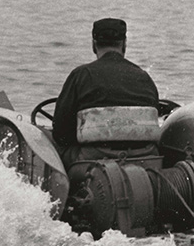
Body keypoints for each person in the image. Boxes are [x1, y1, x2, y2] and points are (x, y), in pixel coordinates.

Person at [53, 18, 160, 169]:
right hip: (146, 161)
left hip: (91, 163)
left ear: (93, 44)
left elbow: (60, 133)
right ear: (124, 43)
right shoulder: (144, 77)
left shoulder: (81, 75)